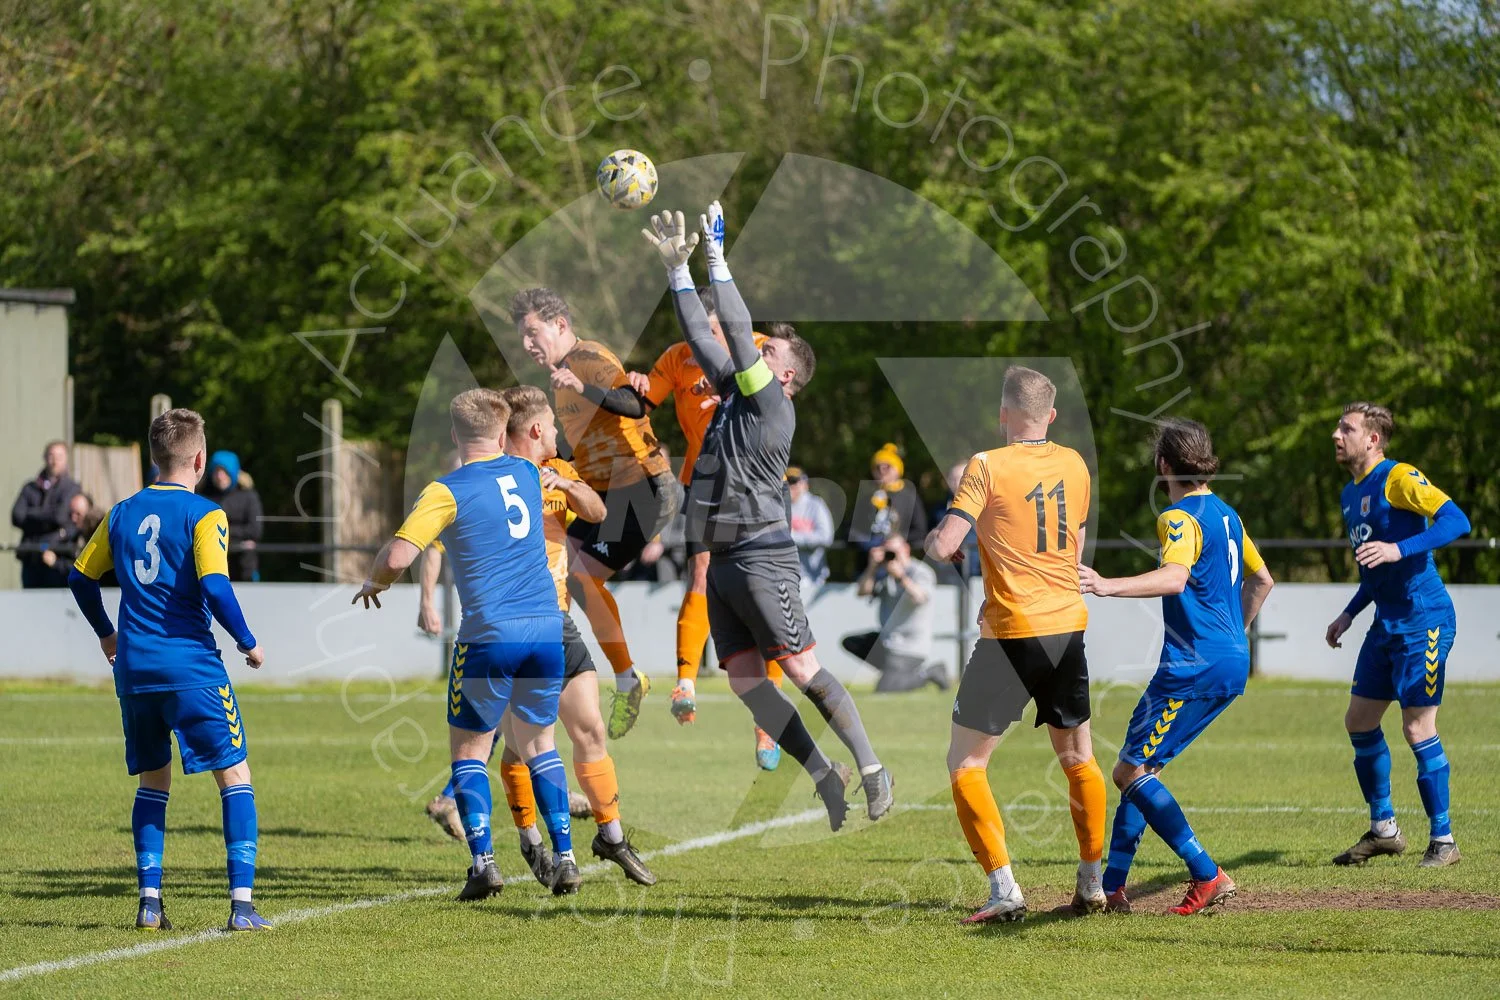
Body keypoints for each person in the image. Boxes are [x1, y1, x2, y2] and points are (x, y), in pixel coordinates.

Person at [641, 202, 894, 830]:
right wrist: (678, 274)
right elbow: (705, 337)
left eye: (767, 348)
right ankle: (823, 775)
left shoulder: (774, 408)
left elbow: (731, 322)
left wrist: (718, 261)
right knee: (750, 685)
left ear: (784, 374)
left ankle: (870, 769)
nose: (754, 346)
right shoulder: (733, 391)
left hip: (760, 554)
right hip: (724, 559)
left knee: (803, 668)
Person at [416, 386, 657, 890]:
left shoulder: (554, 474)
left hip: (556, 622)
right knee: (520, 747)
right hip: (510, 623)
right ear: (531, 430)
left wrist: (565, 488)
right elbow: (436, 540)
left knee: (586, 728)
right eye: (550, 425)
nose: (558, 434)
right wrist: (426, 600)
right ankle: (533, 844)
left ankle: (605, 836)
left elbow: (596, 511)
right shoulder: (489, 479)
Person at [353, 388, 577, 899]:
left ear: (455, 435)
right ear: (503, 434)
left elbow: (397, 557)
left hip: (489, 636)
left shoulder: (445, 490)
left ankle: (484, 864)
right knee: (541, 744)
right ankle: (564, 857)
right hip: (546, 629)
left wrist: (374, 582)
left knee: (469, 752)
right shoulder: (524, 471)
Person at [66, 409, 270, 932]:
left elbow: (80, 579)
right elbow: (216, 585)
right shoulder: (206, 514)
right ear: (199, 459)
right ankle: (242, 907)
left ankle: (150, 901)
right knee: (235, 775)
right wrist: (247, 641)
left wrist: (108, 635)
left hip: (135, 670)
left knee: (154, 783)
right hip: (192, 667)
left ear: (154, 455)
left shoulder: (120, 513)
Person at [925, 365, 1107, 924]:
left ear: (1004, 414)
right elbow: (1072, 545)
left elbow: (944, 546)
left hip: (1011, 630)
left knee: (966, 764)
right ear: (1050, 417)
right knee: (1079, 759)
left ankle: (1004, 888)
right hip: (1067, 625)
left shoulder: (986, 465)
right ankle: (1092, 884)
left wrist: (941, 536)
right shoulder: (1075, 463)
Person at [1079, 419, 1275, 915]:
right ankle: (1113, 889)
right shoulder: (1229, 515)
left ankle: (1207, 874)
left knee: (1127, 772)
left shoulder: (1178, 517)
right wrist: (1235, 634)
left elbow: (1173, 578)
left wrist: (1106, 584)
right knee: (1143, 770)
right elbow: (1263, 580)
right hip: (1230, 661)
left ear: (1164, 464)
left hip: (1191, 666)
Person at [590, 290, 787, 747]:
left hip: (757, 485)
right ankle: (686, 683)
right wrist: (625, 384)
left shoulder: (757, 348)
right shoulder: (677, 358)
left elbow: (781, 399)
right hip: (706, 482)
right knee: (701, 576)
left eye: (709, 330)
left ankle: (769, 716)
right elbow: (640, 405)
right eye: (694, 330)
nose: (699, 339)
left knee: (763, 589)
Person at [511, 286, 680, 740]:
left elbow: (634, 403)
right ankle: (555, 679)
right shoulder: (561, 377)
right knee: (557, 576)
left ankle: (626, 678)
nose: (527, 344)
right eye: (521, 337)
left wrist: (583, 386)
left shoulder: (586, 357)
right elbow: (576, 446)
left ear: (560, 325)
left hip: (641, 486)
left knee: (580, 577)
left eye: (532, 332)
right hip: (602, 491)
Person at [1324, 402, 1470, 869]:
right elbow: (1375, 569)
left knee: (1416, 727)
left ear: (1373, 439)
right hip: (1385, 623)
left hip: (1423, 620)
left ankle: (1444, 841)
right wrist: (1348, 613)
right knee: (1359, 722)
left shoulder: (1399, 477)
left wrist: (1398, 547)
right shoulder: (1351, 494)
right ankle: (1385, 829)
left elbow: (1456, 521)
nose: (1336, 434)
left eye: (1346, 428)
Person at [841, 519, 948, 692]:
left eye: (894, 551)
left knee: (884, 690)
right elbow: (862, 592)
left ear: (905, 549)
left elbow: (920, 597)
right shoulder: (884, 572)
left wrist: (900, 577)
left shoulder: (920, 571)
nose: (891, 556)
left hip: (909, 647)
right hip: (887, 641)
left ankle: (929, 673)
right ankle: (896, 674)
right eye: (887, 551)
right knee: (850, 642)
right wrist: (872, 568)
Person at [12, 440, 81, 588]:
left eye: (59, 456)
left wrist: (30, 515)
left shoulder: (72, 488)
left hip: (57, 560)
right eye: (51, 455)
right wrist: (51, 515)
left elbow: (61, 516)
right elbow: (17, 516)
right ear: (45, 457)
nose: (55, 461)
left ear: (66, 459)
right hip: (31, 559)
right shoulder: (30, 487)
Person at [849, 442, 927, 554]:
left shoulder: (909, 497)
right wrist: (871, 545)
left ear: (898, 470)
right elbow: (852, 530)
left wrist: (900, 539)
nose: (882, 470)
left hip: (900, 561)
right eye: (877, 467)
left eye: (887, 466)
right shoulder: (867, 498)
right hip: (868, 562)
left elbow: (920, 531)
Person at [198, 451, 264, 582]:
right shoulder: (204, 496)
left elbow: (255, 530)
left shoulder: (249, 496)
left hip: (244, 568)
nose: (220, 476)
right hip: (211, 566)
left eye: (224, 471)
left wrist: (219, 532)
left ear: (233, 472)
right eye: (216, 471)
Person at [787, 466, 834, 589]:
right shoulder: (778, 506)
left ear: (805, 484)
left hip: (812, 578)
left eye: (793, 481)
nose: (790, 486)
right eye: (785, 482)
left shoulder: (816, 504)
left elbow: (826, 537)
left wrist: (792, 537)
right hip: (784, 576)